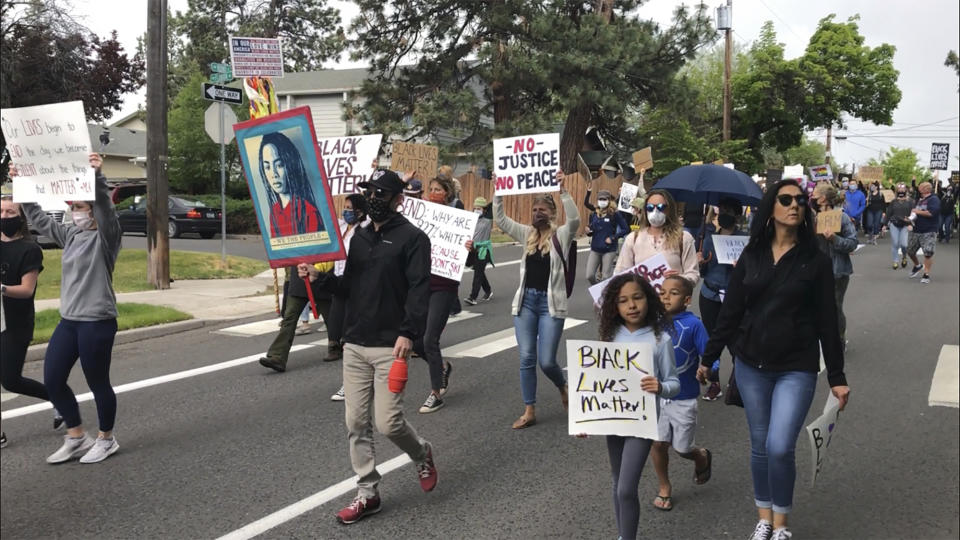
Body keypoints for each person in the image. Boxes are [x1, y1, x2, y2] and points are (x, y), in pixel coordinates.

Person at [697, 179, 850, 540]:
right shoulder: (752, 254)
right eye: (786, 199)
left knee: (780, 446)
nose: (795, 205)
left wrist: (837, 376)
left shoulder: (815, 259)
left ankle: (782, 524)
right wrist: (709, 357)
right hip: (751, 365)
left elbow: (828, 321)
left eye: (800, 200)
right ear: (772, 207)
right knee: (761, 445)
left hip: (796, 366)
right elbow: (730, 312)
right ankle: (764, 518)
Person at [300, 169, 437, 524]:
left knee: (388, 423)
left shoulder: (413, 239)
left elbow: (420, 290)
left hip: (392, 346)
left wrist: (409, 333)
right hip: (356, 343)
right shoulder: (359, 238)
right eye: (370, 192)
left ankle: (421, 453)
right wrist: (321, 277)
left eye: (380, 193)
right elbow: (350, 286)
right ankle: (367, 492)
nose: (373, 198)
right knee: (356, 422)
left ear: (398, 199)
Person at [18, 153, 124, 464]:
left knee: (97, 383)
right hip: (70, 321)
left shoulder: (107, 239)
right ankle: (76, 436)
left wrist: (97, 177)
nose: (74, 212)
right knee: (52, 378)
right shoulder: (72, 234)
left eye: (79, 207)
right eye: (73, 207)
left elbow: (105, 209)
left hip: (97, 321)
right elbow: (37, 219)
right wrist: (22, 182)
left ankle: (107, 439)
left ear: (92, 211)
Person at [593, 272, 679, 540]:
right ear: (614, 307)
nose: (631, 305)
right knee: (617, 483)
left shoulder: (659, 340)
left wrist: (661, 387)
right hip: (614, 421)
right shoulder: (610, 337)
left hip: (642, 424)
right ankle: (622, 534)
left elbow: (674, 383)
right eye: (623, 301)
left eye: (637, 298)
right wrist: (584, 418)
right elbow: (595, 381)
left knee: (626, 488)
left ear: (648, 300)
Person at [493, 172, 579, 429]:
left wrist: (563, 190)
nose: (537, 213)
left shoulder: (561, 236)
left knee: (547, 361)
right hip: (526, 303)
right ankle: (529, 409)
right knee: (526, 358)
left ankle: (562, 385)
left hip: (551, 305)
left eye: (542, 209)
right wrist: (499, 190)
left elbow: (574, 219)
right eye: (534, 209)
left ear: (551, 213)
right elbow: (500, 219)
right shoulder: (526, 234)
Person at [1, 196, 65, 435]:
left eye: (10, 212)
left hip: (15, 324)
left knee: (10, 380)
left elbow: (26, 291)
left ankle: (60, 399)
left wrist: (1, 288)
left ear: (20, 218)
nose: (4, 216)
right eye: (1, 212)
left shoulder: (30, 249)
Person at [650, 276, 711, 512]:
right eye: (662, 292)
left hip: (684, 398)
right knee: (657, 443)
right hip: (656, 395)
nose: (665, 297)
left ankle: (701, 456)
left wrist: (707, 371)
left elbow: (710, 357)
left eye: (672, 293)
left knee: (682, 448)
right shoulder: (652, 322)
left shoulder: (694, 325)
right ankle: (664, 486)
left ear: (686, 300)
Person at [412, 176, 462, 413]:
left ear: (448, 194)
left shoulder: (457, 222)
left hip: (444, 286)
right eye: (430, 189)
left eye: (438, 190)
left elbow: (468, 260)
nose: (433, 192)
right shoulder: (419, 219)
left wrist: (469, 250)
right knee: (415, 340)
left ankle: (436, 393)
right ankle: (441, 368)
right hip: (421, 285)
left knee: (430, 338)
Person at [697, 198, 746, 401]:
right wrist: (702, 262)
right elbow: (703, 272)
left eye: (729, 211)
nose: (724, 215)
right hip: (710, 294)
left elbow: (751, 272)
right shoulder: (709, 238)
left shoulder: (744, 240)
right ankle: (714, 382)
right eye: (722, 210)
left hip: (734, 297)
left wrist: (741, 267)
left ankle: (740, 380)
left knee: (736, 341)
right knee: (712, 340)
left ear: (737, 215)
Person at [327, 193, 370, 402]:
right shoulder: (342, 227)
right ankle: (360, 378)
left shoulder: (366, 230)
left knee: (351, 338)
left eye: (350, 207)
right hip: (339, 283)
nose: (346, 211)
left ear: (361, 211)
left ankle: (350, 383)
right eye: (345, 207)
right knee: (337, 330)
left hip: (356, 287)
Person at [258, 261, 333, 373]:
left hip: (321, 277)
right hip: (299, 279)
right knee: (289, 318)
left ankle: (336, 347)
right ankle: (278, 356)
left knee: (331, 319)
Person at [615, 189, 699, 285]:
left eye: (660, 207)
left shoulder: (684, 238)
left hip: (670, 298)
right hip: (642, 298)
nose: (655, 211)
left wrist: (678, 279)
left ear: (669, 209)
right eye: (650, 207)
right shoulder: (633, 238)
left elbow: (693, 274)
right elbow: (620, 273)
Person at [812, 183, 857, 347]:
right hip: (815, 271)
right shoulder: (812, 218)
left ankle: (838, 339)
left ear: (823, 198)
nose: (812, 197)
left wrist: (834, 239)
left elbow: (852, 243)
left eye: (815, 194)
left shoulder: (841, 218)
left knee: (834, 306)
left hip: (837, 271)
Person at [258, 132, 323, 237]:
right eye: (267, 167)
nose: (273, 174)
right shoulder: (274, 211)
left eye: (279, 165)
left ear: (290, 164)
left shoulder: (309, 212)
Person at [585, 189, 628, 285]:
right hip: (595, 248)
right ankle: (598, 290)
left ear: (609, 200)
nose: (602, 201)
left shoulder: (614, 214)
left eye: (604, 199)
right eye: (600, 199)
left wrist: (613, 237)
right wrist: (588, 230)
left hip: (609, 250)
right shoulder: (594, 214)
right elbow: (592, 228)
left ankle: (604, 296)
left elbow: (625, 229)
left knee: (605, 277)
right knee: (589, 275)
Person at [906, 181, 941, 284]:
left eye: (921, 186)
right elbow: (915, 213)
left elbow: (931, 213)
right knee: (910, 251)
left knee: (928, 253)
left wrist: (917, 212)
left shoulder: (933, 199)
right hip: (916, 229)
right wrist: (909, 220)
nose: (919, 188)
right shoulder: (919, 199)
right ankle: (917, 266)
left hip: (928, 230)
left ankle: (926, 274)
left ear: (926, 189)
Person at [464, 196, 493, 306]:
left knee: (477, 274)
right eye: (475, 208)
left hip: (483, 251)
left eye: (479, 208)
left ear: (484, 210)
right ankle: (488, 290)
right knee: (478, 271)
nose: (477, 210)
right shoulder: (471, 219)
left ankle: (472, 297)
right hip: (472, 250)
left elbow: (493, 204)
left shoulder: (488, 220)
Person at [885, 183, 913, 269]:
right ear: (897, 191)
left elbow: (913, 213)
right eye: (899, 189)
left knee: (904, 244)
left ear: (906, 190)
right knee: (895, 243)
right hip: (895, 224)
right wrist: (884, 225)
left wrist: (910, 224)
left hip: (905, 225)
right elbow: (888, 213)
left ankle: (904, 256)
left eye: (903, 189)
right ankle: (895, 261)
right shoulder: (893, 202)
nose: (901, 190)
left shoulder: (910, 201)